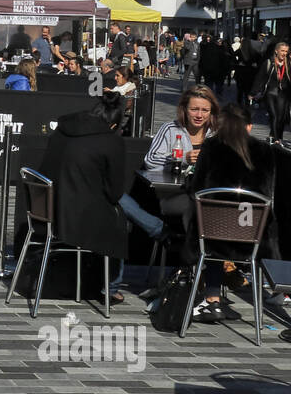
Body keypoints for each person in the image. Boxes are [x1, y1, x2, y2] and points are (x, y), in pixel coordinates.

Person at [183, 103, 277, 323]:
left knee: (208, 224)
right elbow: (268, 191)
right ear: (249, 127)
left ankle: (212, 297)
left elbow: (196, 189)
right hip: (251, 235)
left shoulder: (211, 146)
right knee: (220, 225)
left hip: (213, 234)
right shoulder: (265, 151)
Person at [40, 91, 130, 304]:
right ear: (113, 126)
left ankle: (157, 229)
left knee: (119, 208)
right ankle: (112, 287)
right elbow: (114, 193)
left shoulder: (63, 129)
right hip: (78, 218)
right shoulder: (111, 142)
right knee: (121, 217)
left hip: (46, 210)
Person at [144, 84, 219, 171]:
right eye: (194, 109)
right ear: (184, 109)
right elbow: (150, 161)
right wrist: (182, 158)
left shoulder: (217, 134)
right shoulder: (170, 129)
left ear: (211, 112)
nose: (199, 115)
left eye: (205, 110)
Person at [252, 41, 291, 146]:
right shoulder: (269, 62)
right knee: (273, 115)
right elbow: (260, 78)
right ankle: (276, 139)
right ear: (276, 51)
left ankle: (279, 136)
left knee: (281, 117)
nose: (284, 53)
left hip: (282, 94)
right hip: (270, 92)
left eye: (286, 51)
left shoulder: (288, 64)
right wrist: (253, 92)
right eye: (282, 51)